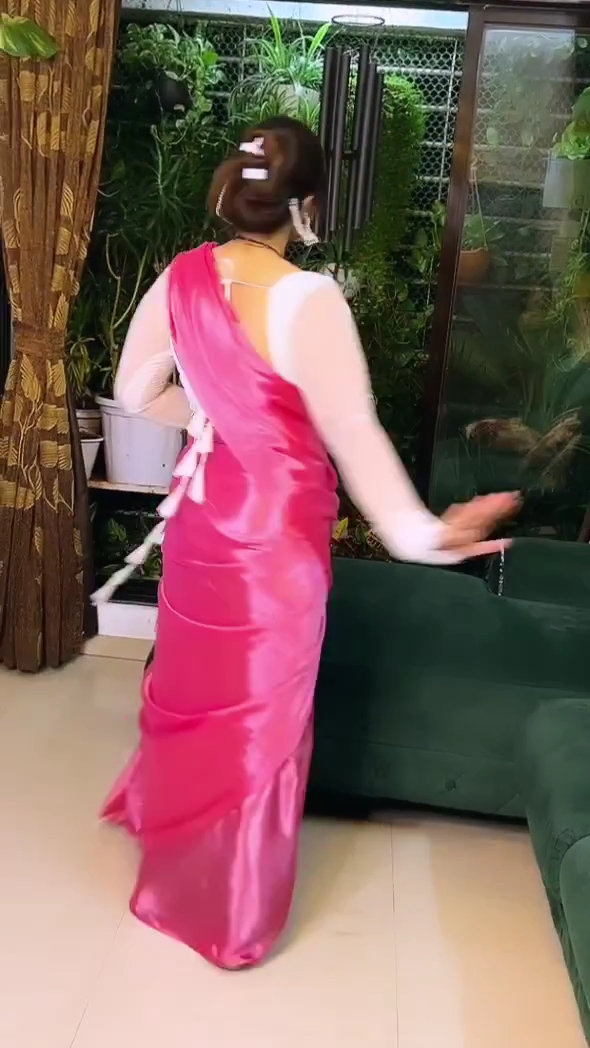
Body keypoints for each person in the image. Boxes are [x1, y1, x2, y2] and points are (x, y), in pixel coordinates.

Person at [94, 116, 517, 969]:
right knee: (259, 723)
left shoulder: (179, 278)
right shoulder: (310, 301)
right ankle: (226, 913)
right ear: (310, 205)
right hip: (275, 543)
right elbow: (353, 438)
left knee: (193, 690)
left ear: (232, 191)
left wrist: (211, 419)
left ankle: (175, 859)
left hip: (204, 525)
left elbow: (135, 393)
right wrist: (428, 537)